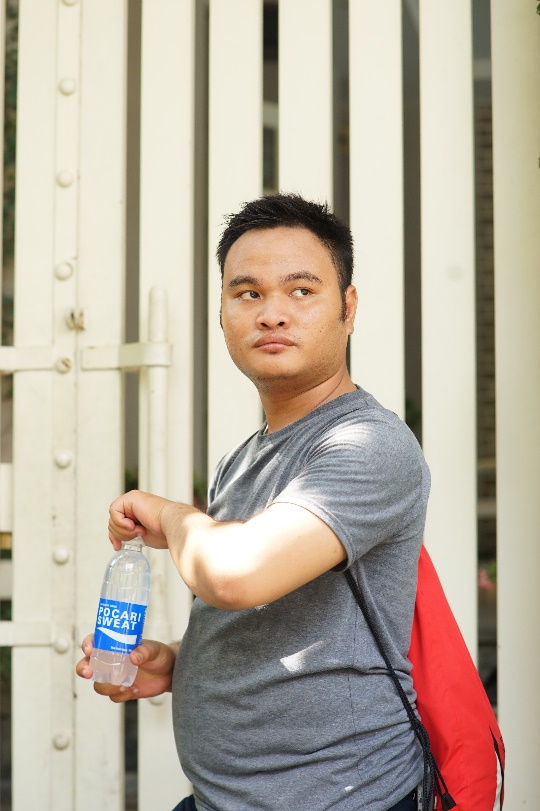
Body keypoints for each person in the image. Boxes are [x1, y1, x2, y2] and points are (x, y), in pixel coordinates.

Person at [77, 193, 430, 811]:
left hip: (343, 799)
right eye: (247, 293)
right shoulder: (243, 458)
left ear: (348, 308)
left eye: (301, 291)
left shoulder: (369, 444)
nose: (272, 314)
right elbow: (285, 619)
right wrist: (180, 664)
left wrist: (173, 515)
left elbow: (234, 576)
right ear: (222, 315)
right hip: (224, 799)